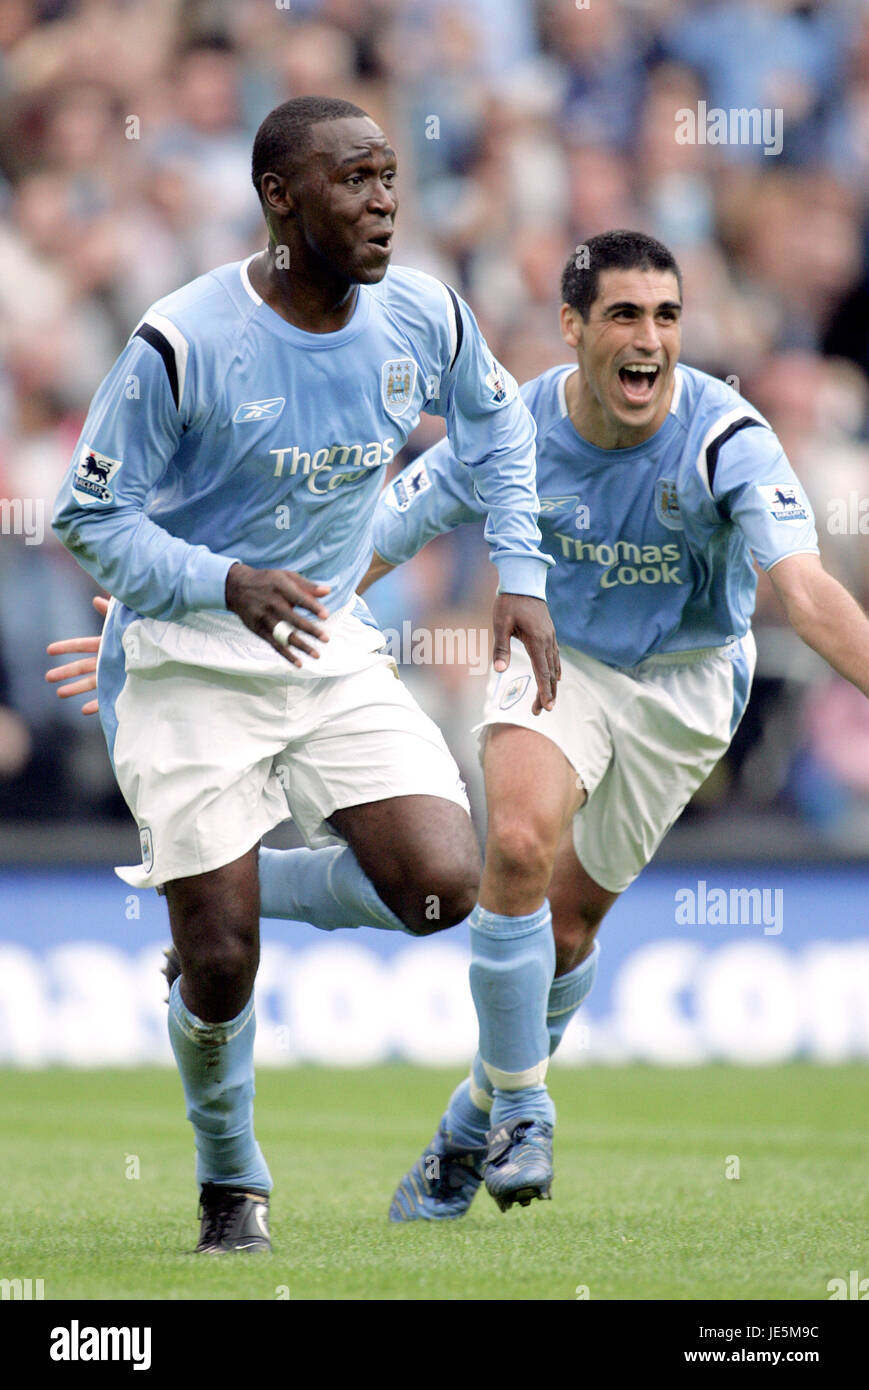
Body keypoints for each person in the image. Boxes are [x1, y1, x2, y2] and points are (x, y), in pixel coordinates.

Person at [56, 229, 869, 1224]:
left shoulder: (723, 437)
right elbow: (372, 541)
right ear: (571, 327)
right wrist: (186, 635)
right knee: (515, 845)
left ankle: (465, 1112)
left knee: (564, 936)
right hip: (551, 659)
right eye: (622, 314)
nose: (647, 338)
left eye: (664, 316)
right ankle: (523, 1108)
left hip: (687, 687)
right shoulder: (513, 428)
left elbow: (810, 595)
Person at [50, 94, 558, 1252]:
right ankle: (231, 1175)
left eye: (390, 178)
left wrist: (518, 575)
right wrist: (218, 580)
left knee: (442, 887)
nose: (384, 201)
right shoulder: (180, 340)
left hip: (325, 644)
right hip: (186, 655)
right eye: (354, 180)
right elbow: (89, 517)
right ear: (280, 197)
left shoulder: (423, 312)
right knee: (223, 967)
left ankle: (213, 888)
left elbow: (498, 432)